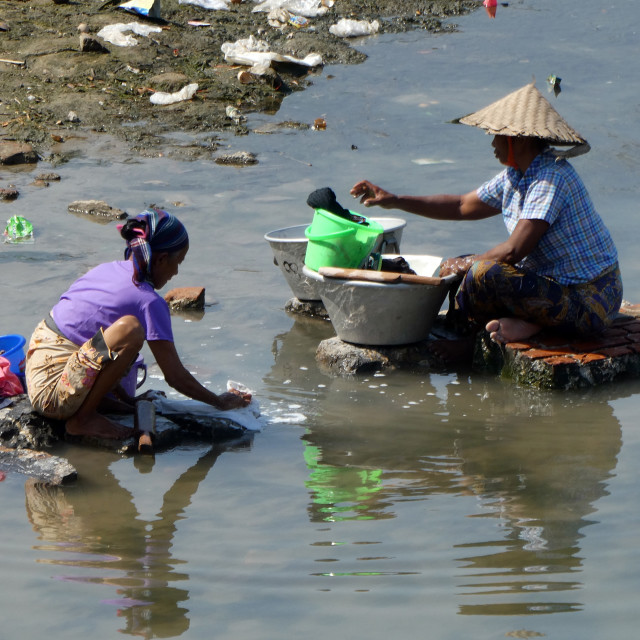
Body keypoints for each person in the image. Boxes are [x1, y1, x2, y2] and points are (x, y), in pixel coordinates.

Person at [351, 81, 622, 360]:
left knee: (483, 272)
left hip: (589, 301)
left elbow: (514, 250)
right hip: (555, 286)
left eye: (497, 136)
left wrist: (470, 264)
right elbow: (461, 205)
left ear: (520, 139)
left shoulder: (550, 178)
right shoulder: (517, 176)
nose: (493, 143)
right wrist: (395, 199)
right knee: (454, 267)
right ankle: (524, 325)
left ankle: (473, 346)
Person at [25, 207, 251, 440]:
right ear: (162, 259)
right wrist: (218, 401)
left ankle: (99, 405)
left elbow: (90, 347)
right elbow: (175, 377)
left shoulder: (105, 270)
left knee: (119, 340)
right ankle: (83, 420)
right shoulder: (148, 300)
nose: (176, 272)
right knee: (130, 330)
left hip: (36, 378)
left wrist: (126, 400)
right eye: (178, 262)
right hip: (52, 396)